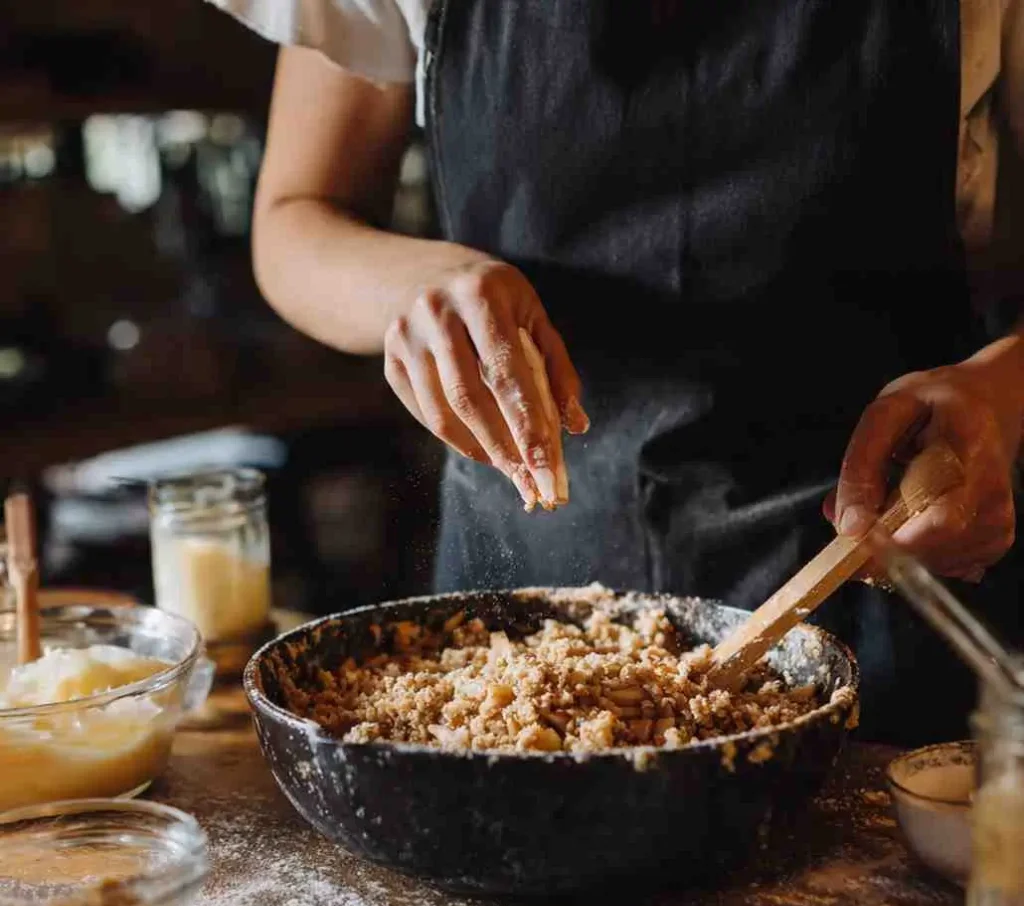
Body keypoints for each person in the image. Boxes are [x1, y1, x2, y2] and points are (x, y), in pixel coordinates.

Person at [209, 0, 1024, 745]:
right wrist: (413, 286)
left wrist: (1005, 393)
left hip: (874, 583)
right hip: (514, 635)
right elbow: (295, 217)